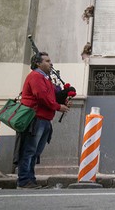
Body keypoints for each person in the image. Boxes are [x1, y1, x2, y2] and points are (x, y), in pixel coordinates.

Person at [16, 52, 70, 189]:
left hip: (44, 118)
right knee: (29, 150)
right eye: (47, 61)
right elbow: (41, 96)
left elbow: (51, 96)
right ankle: (23, 180)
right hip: (35, 118)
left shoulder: (45, 79)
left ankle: (30, 179)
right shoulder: (35, 76)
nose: (50, 63)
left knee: (35, 152)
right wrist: (58, 107)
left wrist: (64, 97)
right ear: (38, 63)